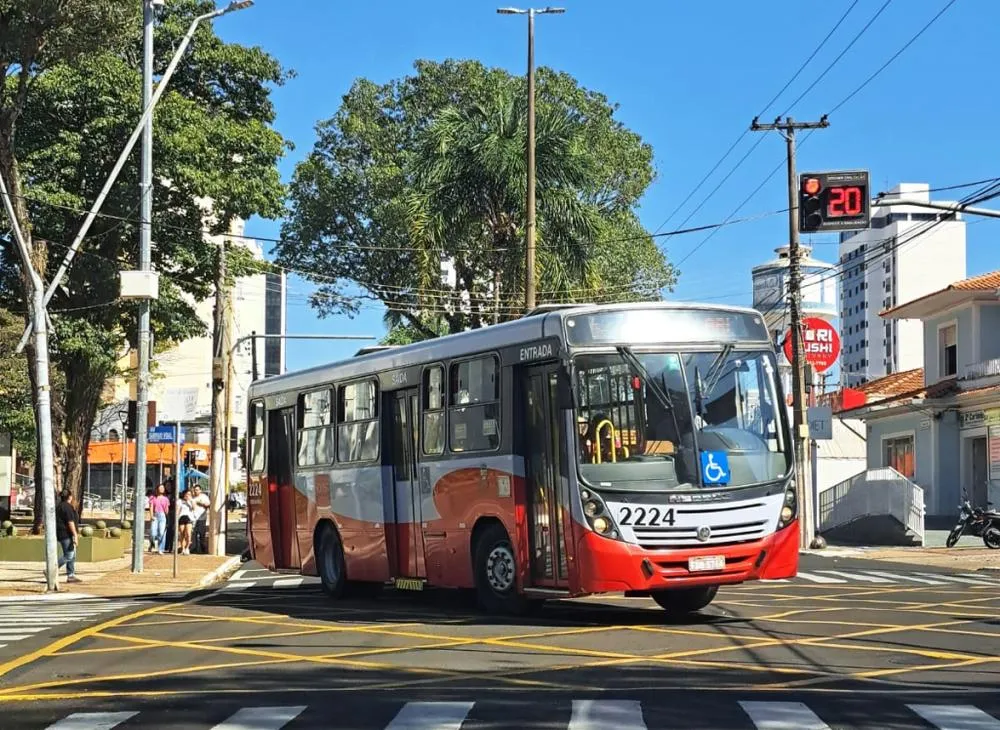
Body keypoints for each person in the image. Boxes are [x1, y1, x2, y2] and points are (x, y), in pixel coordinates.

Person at [55, 489, 82, 583]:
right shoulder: (67, 507)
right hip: (66, 534)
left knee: (72, 555)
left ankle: (71, 575)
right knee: (69, 555)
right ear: (70, 497)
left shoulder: (60, 506)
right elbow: (70, 522)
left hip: (63, 533)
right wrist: (75, 535)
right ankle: (51, 569)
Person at [147, 482, 169, 554]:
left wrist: (167, 516)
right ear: (157, 489)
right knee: (153, 533)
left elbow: (166, 510)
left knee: (161, 533)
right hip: (155, 515)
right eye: (160, 488)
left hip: (163, 516)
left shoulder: (166, 499)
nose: (161, 489)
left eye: (163, 488)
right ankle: (151, 543)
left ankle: (160, 548)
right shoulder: (152, 497)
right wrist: (151, 516)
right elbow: (151, 507)